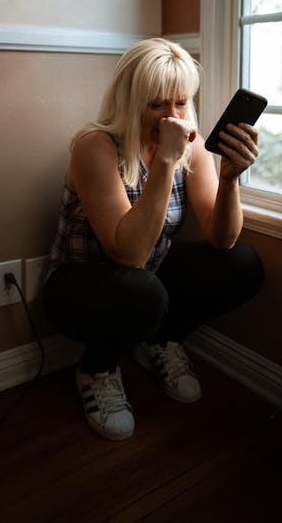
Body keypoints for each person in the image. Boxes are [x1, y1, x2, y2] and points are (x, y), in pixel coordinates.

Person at [43, 38, 264, 441]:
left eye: (181, 103)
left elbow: (222, 239)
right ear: (130, 102)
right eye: (156, 105)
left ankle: (159, 342)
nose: (172, 117)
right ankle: (97, 368)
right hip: (79, 287)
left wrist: (230, 177)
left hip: (147, 274)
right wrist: (164, 159)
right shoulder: (95, 145)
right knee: (141, 289)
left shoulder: (191, 148)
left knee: (243, 264)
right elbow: (127, 254)